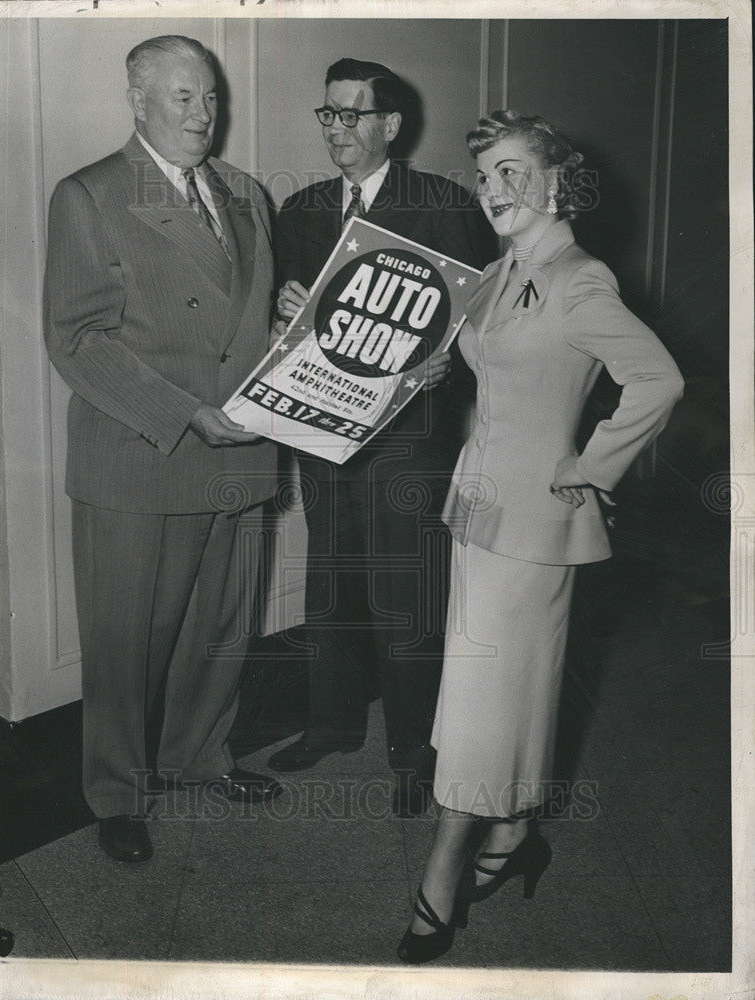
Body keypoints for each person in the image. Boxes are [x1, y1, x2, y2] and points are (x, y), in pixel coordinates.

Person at [397, 110, 684, 962]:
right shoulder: (496, 270)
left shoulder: (579, 279)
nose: (494, 190)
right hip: (478, 512)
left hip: (532, 528)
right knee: (498, 686)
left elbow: (656, 379)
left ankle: (440, 879)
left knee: (483, 703)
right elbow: (491, 358)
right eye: (485, 175)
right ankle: (514, 831)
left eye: (513, 172)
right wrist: (441, 367)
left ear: (558, 184)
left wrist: (591, 467)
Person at [44, 35, 282, 865]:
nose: (202, 114)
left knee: (221, 627)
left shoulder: (247, 194)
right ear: (137, 100)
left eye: (210, 96)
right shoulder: (91, 195)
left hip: (241, 452)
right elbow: (77, 338)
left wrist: (285, 323)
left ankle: (198, 757)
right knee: (125, 639)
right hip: (142, 452)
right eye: (182, 97)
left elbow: (241, 320)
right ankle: (117, 792)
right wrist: (185, 412)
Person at [267, 59, 494, 817]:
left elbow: (483, 322)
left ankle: (413, 748)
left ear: (389, 126)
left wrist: (445, 366)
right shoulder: (298, 209)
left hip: (409, 437)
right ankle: (330, 722)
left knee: (405, 594)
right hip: (323, 430)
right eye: (327, 115)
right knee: (330, 582)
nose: (337, 129)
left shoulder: (443, 203)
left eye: (352, 115)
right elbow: (288, 324)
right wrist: (282, 306)